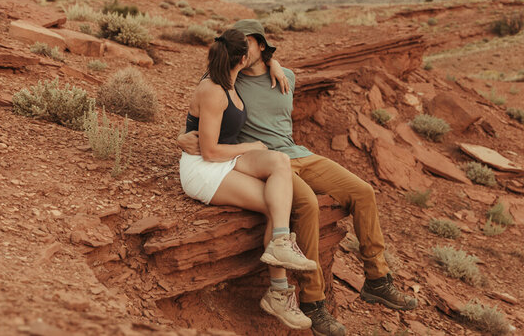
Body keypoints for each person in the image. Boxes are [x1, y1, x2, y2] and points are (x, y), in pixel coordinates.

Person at [179, 19, 417, 336]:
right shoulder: (225, 77)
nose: (240, 50)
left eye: (246, 42)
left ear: (261, 45)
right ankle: (313, 303)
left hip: (297, 153)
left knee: (362, 192)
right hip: (259, 161)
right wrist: (180, 139)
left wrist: (275, 64)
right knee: (305, 205)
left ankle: (377, 280)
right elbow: (201, 112)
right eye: (236, 45)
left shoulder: (285, 76)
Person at [178, 27, 316, 330]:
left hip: (226, 157)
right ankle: (279, 293)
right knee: (273, 203)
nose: (255, 55)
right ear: (242, 57)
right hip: (204, 168)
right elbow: (210, 151)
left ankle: (281, 240)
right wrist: (252, 146)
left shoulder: (229, 79)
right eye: (250, 50)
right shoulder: (214, 90)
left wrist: (275, 64)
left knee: (279, 162)